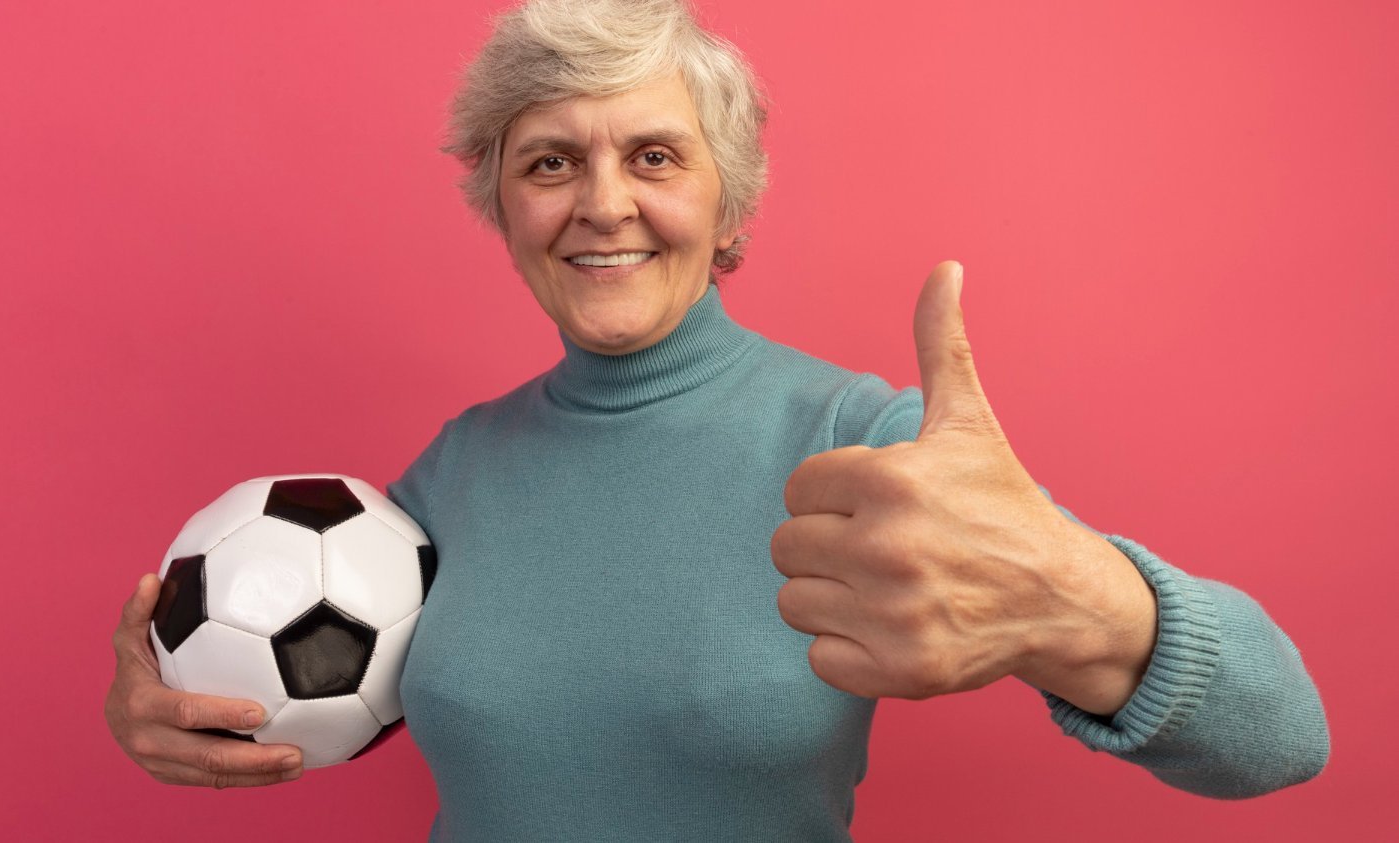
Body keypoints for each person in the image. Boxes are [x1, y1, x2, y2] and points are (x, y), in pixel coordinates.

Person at [105, 0, 1330, 838]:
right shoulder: (448, 477)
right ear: (505, 208)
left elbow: (1283, 740)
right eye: (548, 163)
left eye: (653, 157)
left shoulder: (867, 445)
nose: (600, 205)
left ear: (727, 205)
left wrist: (1087, 601)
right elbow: (338, 691)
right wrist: (167, 710)